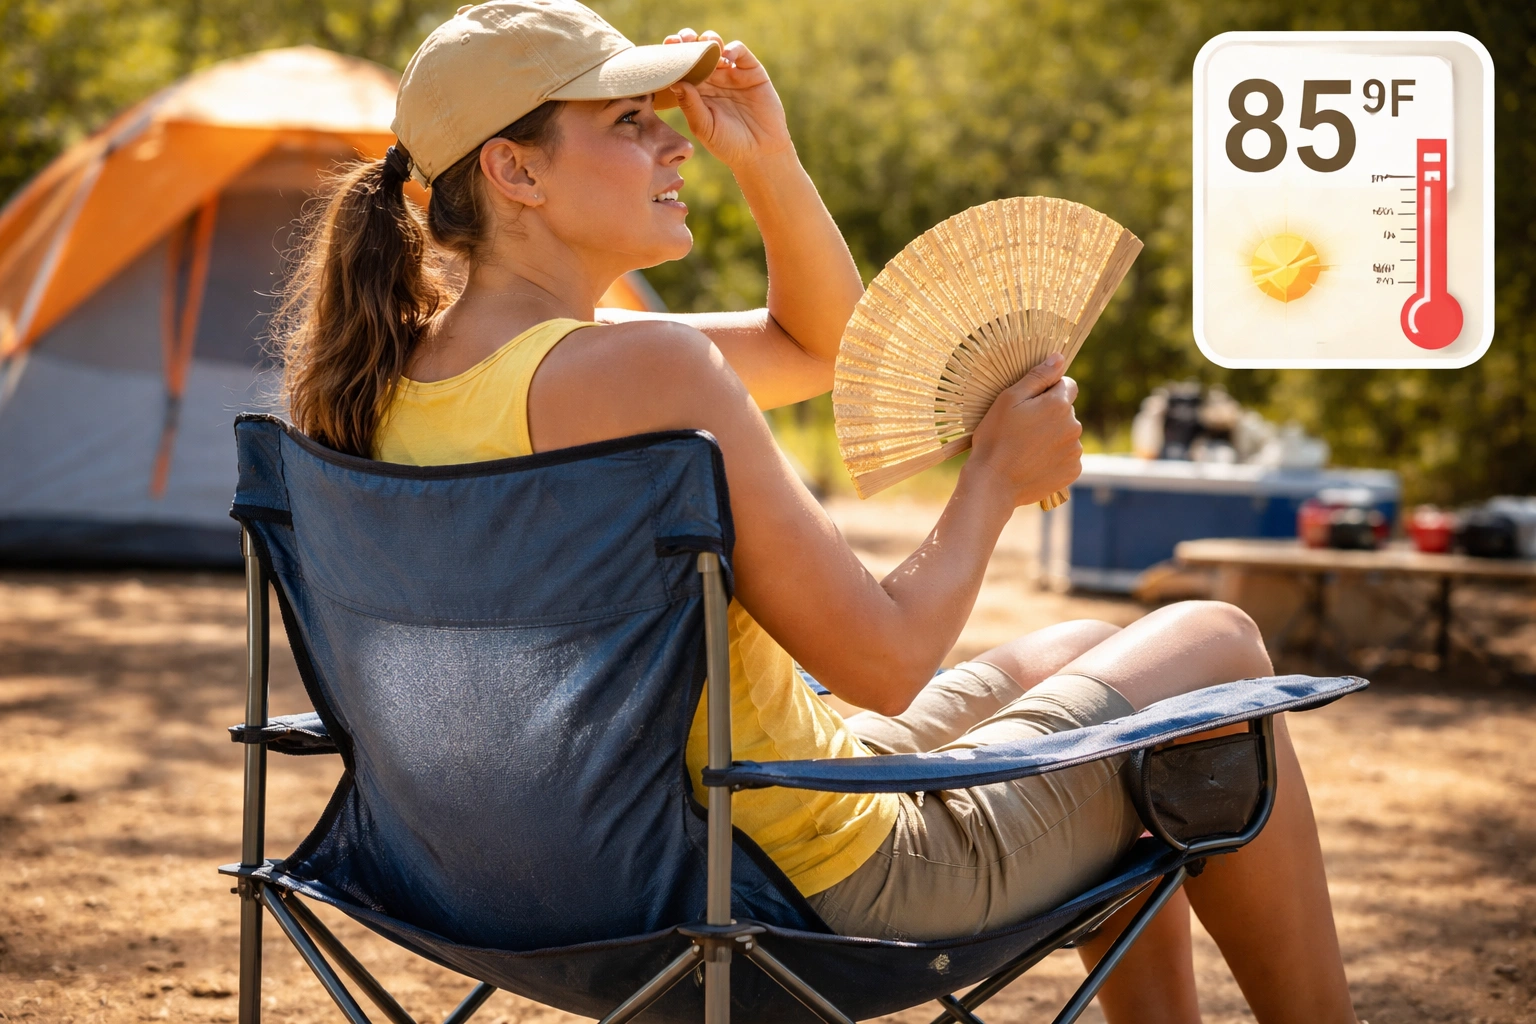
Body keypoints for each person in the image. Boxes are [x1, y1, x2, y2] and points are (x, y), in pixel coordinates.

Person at [274, 3, 1357, 1021]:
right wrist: (992, 478)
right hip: (807, 883)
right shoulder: (645, 367)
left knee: (1084, 646)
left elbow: (819, 345)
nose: (675, 143)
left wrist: (768, 159)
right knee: (1218, 646)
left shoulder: (388, 381)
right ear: (516, 170)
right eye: (629, 122)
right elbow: (887, 661)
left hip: (532, 880)